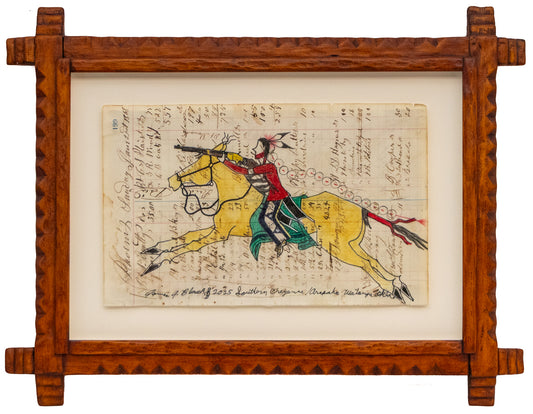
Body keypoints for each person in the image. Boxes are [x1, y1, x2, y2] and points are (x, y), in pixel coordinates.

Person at [220, 133, 316, 258]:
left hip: (277, 196)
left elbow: (245, 171)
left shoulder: (268, 166)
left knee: (266, 218)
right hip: (275, 195)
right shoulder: (263, 165)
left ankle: (282, 240)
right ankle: (294, 236)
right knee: (281, 217)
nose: (254, 149)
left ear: (263, 151)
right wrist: (233, 159)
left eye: (257, 147)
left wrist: (225, 162)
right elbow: (248, 164)